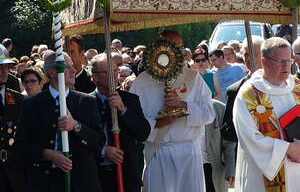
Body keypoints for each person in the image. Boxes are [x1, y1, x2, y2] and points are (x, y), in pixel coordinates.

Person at [130, 30, 215, 192]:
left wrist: (183, 105)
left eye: (180, 47)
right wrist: (158, 122)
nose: (177, 51)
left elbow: (209, 113)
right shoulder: (142, 82)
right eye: (172, 46)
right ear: (159, 48)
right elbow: (135, 121)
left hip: (189, 151)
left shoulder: (193, 78)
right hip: (158, 152)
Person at [15, 52, 104, 192]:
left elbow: (99, 141)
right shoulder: (31, 104)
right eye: (67, 67)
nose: (74, 70)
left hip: (81, 182)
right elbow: (21, 146)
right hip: (46, 183)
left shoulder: (86, 102)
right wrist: (47, 154)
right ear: (52, 72)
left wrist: (76, 126)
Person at [233, 37, 300, 191]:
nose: (286, 66)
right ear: (264, 61)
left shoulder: (296, 86)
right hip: (264, 175)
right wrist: (288, 149)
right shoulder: (249, 95)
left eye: (289, 61)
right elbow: (249, 137)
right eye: (280, 61)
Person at [90, 53, 150, 192]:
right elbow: (82, 139)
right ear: (95, 77)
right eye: (108, 72)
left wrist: (123, 110)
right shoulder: (85, 102)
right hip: (97, 175)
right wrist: (103, 151)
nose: (114, 75)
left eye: (116, 70)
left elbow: (143, 133)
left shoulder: (130, 100)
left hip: (126, 174)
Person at [222, 35, 264, 142]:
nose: (249, 58)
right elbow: (228, 131)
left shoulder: (281, 85)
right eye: (246, 54)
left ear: (265, 55)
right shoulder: (235, 90)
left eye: (254, 54)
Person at [0, 44, 27, 192]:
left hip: (14, 173)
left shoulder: (17, 98)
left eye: (7, 67)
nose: (4, 72)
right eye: (0, 67)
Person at [202, 100, 236, 192]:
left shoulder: (218, 108)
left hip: (213, 167)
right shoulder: (177, 108)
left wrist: (230, 168)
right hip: (189, 165)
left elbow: (229, 142)